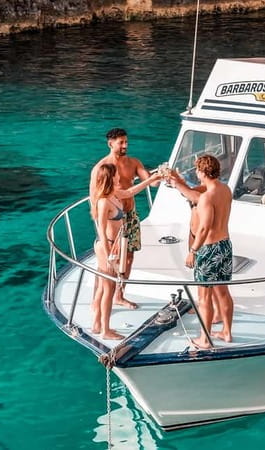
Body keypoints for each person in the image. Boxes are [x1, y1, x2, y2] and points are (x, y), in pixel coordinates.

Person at [89, 128, 158, 310]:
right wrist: (101, 232)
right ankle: (97, 300)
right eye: (121, 142)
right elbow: (94, 201)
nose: (125, 146)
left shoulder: (133, 162)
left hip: (130, 216)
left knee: (128, 258)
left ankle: (119, 295)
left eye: (126, 142)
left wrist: (160, 176)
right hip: (112, 220)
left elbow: (151, 182)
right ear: (110, 144)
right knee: (106, 263)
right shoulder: (101, 168)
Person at [171, 155, 234, 349]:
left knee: (204, 298)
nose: (196, 173)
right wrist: (178, 183)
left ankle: (205, 340)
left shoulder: (207, 198)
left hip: (208, 249)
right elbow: (192, 194)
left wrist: (193, 251)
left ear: (203, 172)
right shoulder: (225, 189)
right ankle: (226, 332)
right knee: (223, 292)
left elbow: (205, 228)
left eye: (197, 170)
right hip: (225, 246)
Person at [90, 163, 160, 339]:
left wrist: (151, 179)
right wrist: (110, 256)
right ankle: (106, 330)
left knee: (103, 287)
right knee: (108, 289)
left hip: (115, 245)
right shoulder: (104, 202)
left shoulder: (114, 194)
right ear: (110, 178)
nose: (119, 177)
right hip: (108, 247)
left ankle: (97, 324)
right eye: (115, 175)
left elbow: (130, 192)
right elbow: (101, 231)